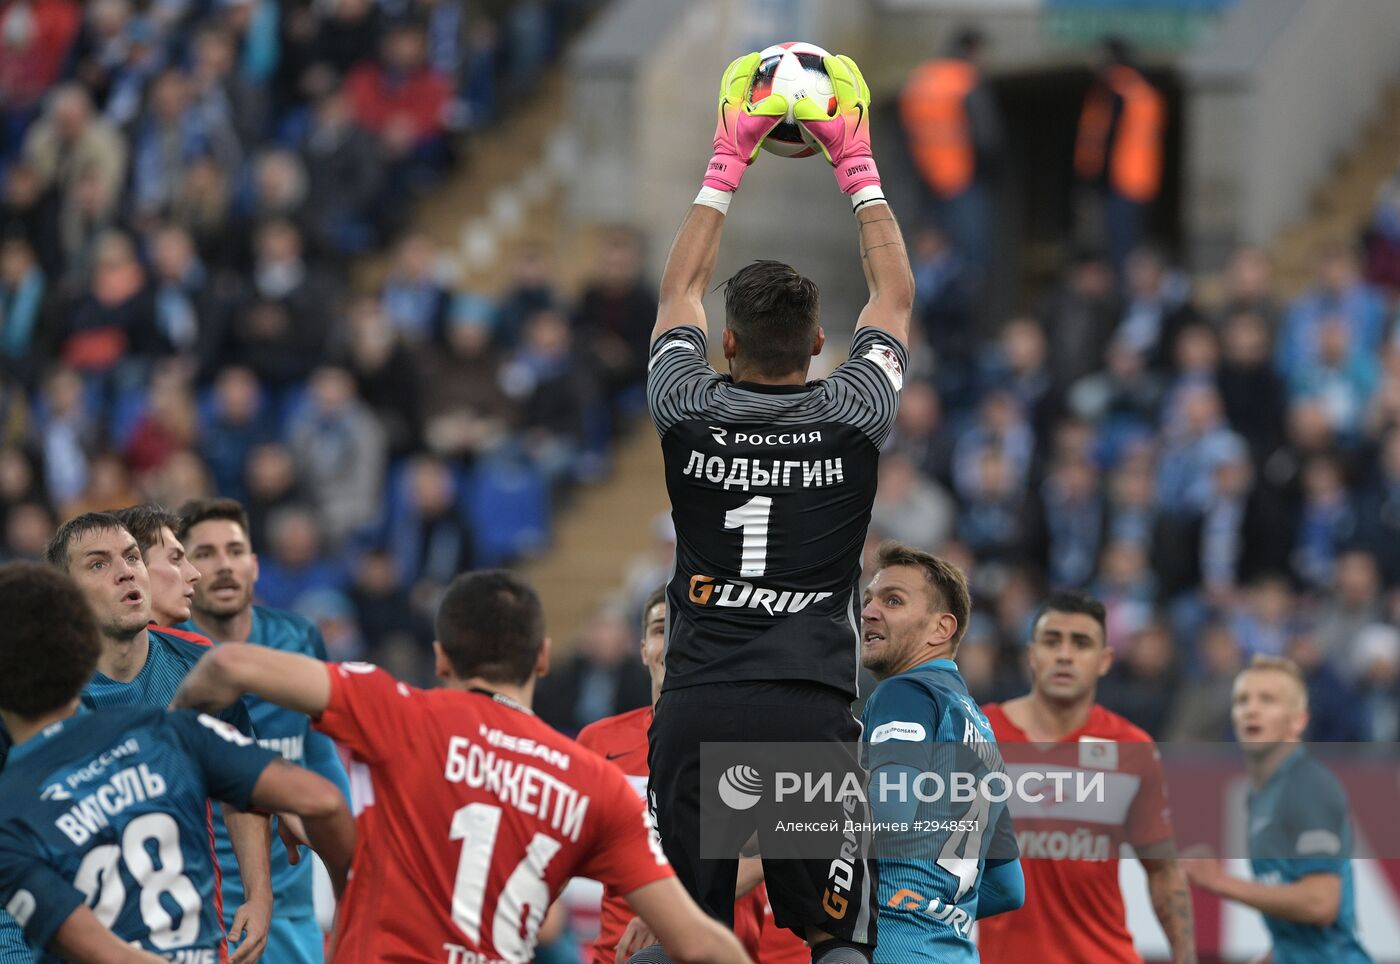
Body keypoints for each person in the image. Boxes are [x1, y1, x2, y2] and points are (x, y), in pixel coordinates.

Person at [646, 49, 912, 962]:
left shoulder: (688, 404)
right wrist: (856, 164)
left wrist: (728, 162)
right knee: (834, 940)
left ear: (724, 341)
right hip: (805, 705)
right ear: (820, 342)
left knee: (690, 936)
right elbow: (898, 295)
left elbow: (675, 289)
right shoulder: (852, 412)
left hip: (699, 698)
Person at [170, 569, 752, 964]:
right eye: (660, 629)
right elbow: (832, 829)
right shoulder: (596, 756)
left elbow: (826, 830)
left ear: (441, 657)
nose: (674, 644)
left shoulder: (396, 712)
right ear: (544, 657)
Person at [0, 561, 355, 962]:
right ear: (84, 646)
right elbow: (322, 802)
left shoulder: (10, 814)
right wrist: (351, 910)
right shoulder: (170, 729)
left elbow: (109, 956)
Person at [40, 511, 277, 964]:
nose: (126, 570)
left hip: (191, 944)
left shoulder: (202, 672)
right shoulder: (31, 699)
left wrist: (258, 894)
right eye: (98, 564)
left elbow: (243, 787)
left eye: (132, 557)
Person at [577, 587, 809, 964]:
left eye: (688, 628)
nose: (672, 642)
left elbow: (779, 845)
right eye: (659, 630)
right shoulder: (598, 741)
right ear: (642, 649)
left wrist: (670, 917)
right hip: (617, 953)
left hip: (718, 949)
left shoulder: (757, 738)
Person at [175, 497, 353, 964]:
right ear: (183, 570)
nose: (224, 566)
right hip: (204, 908)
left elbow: (320, 756)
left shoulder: (298, 638)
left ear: (254, 565)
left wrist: (347, 855)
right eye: (205, 553)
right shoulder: (165, 657)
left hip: (292, 905)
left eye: (235, 551)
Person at [977, 590, 1197, 963]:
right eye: (1052, 641)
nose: (1064, 655)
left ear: (1105, 660)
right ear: (1031, 655)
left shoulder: (1131, 747)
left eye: (1081, 643)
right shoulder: (979, 733)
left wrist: (1186, 958)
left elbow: (1163, 870)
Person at [856, 543, 1023, 961]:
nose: (869, 612)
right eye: (869, 600)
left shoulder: (906, 691)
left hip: (892, 949)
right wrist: (935, 912)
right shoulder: (978, 726)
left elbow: (890, 811)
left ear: (940, 629)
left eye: (893, 601)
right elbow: (1008, 888)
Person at [1182, 656, 1372, 963]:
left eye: (1267, 699)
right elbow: (1298, 927)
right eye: (1242, 700)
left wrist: (1220, 881)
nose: (1251, 709)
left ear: (1298, 720)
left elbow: (1320, 903)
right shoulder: (1260, 796)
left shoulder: (1309, 785)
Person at [899, 27, 1003, 274]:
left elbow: (903, 138)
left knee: (929, 259)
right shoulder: (966, 81)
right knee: (970, 262)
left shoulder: (920, 80)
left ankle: (923, 310)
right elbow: (987, 139)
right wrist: (995, 177)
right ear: (972, 49)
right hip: (962, 182)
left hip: (924, 183)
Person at [1073, 37, 1165, 283]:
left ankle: (1120, 302)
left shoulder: (1115, 89)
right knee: (1130, 248)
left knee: (1118, 252)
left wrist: (1090, 179)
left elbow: (1106, 138)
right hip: (1141, 180)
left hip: (1119, 181)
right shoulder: (1141, 88)